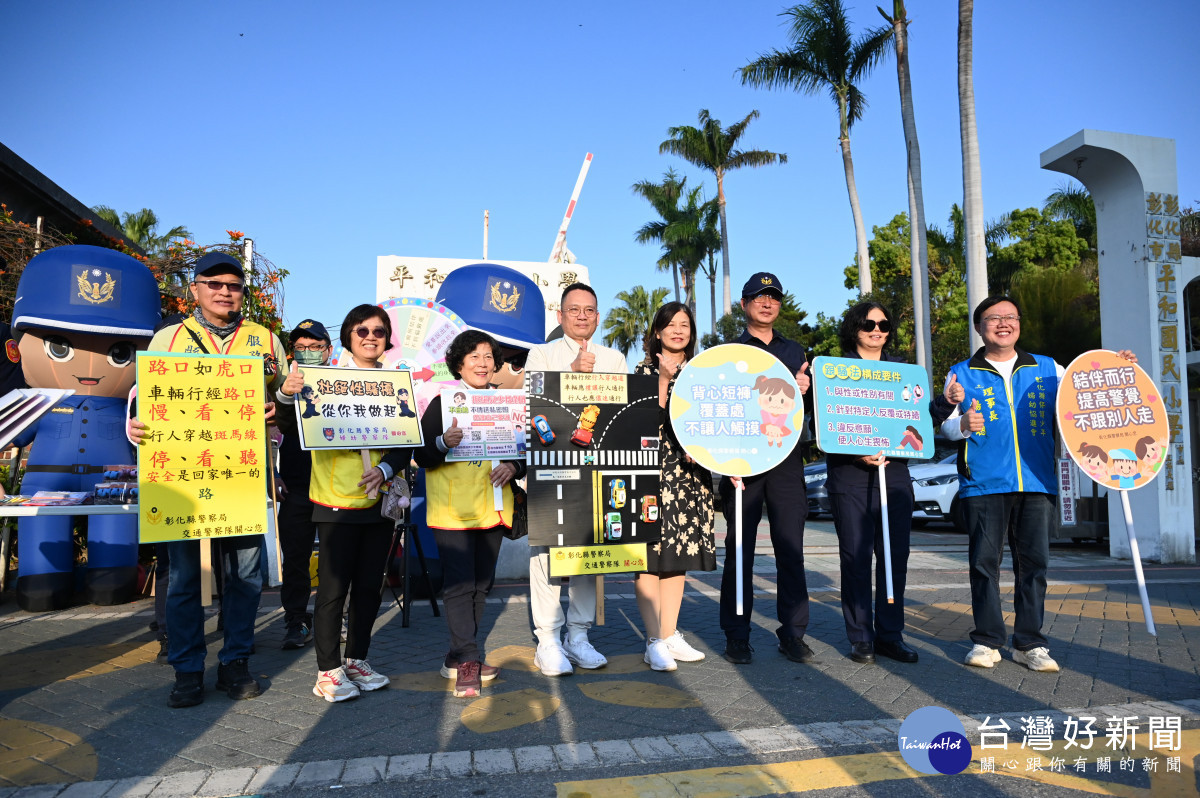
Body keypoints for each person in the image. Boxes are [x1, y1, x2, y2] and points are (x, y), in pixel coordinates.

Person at [944, 296, 1137, 673]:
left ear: (1019, 324)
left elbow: (1087, 399)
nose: (1003, 323)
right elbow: (948, 428)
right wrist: (964, 424)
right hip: (984, 482)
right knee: (984, 564)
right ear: (979, 326)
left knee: (1034, 564)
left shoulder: (1050, 369)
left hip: (1036, 481)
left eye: (1010, 316)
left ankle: (1029, 643)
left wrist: (1119, 371)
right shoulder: (961, 372)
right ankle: (987, 641)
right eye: (993, 318)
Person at [133, 251, 289, 708]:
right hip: (184, 476)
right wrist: (133, 424)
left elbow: (286, 395)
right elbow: (142, 397)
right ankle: (186, 669)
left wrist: (277, 407)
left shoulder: (264, 339)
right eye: (214, 283)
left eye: (234, 285)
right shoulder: (168, 338)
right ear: (195, 289)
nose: (225, 291)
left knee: (245, 576)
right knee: (183, 578)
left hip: (241, 473)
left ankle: (235, 662)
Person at [278, 304, 411, 702]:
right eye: (362, 331)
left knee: (370, 587)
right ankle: (328, 671)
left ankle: (356, 659)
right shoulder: (321, 379)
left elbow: (406, 443)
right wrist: (286, 396)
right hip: (335, 501)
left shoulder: (395, 383)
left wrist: (386, 471)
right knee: (334, 590)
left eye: (378, 331)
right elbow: (288, 423)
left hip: (380, 503)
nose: (371, 337)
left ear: (387, 339)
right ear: (347, 338)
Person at [826, 302, 959, 665]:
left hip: (896, 474)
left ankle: (890, 634)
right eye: (868, 323)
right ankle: (861, 637)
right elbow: (824, 424)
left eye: (883, 324)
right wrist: (857, 454)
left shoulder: (902, 375)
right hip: (850, 477)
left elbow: (918, 422)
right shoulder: (835, 373)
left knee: (894, 558)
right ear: (854, 328)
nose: (876, 330)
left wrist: (945, 404)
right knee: (855, 559)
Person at [524, 282, 629, 676]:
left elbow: (619, 413)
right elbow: (532, 402)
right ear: (560, 315)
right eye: (574, 309)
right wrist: (570, 374)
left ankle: (579, 635)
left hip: (597, 470)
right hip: (551, 467)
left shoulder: (614, 358)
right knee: (547, 554)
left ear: (597, 317)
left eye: (589, 310)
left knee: (589, 552)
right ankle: (547, 639)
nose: (582, 316)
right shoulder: (542, 353)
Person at [414, 330, 524, 697]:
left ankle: (456, 656)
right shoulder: (442, 402)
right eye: (474, 356)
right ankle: (468, 661)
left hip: (493, 505)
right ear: (459, 363)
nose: (482, 362)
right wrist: (444, 442)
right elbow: (422, 457)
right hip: (453, 509)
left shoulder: (507, 402)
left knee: (481, 585)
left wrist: (514, 466)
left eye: (488, 356)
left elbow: (525, 452)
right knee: (460, 585)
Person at [719, 272, 812, 666]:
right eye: (759, 297)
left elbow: (812, 411)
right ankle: (737, 635)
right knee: (739, 549)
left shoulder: (797, 351)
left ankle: (792, 634)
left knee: (790, 549)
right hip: (742, 464)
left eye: (773, 296)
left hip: (787, 461)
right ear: (744, 305)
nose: (767, 302)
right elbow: (717, 406)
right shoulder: (726, 351)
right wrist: (723, 461)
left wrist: (806, 389)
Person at [633, 302, 714, 672]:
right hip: (652, 473)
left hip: (689, 475)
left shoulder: (704, 371)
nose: (678, 330)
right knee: (650, 557)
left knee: (678, 556)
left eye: (684, 325)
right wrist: (664, 378)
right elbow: (645, 420)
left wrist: (708, 452)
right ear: (658, 332)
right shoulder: (644, 369)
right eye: (670, 325)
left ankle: (669, 634)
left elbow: (714, 420)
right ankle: (653, 641)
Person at [274, 319, 332, 650]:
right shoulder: (285, 386)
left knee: (334, 560)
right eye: (301, 347)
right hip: (297, 487)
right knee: (295, 557)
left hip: (338, 489)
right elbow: (274, 428)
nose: (308, 352)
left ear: (329, 350)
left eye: (315, 346)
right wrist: (284, 393)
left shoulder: (345, 383)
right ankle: (295, 620)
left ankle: (334, 617)